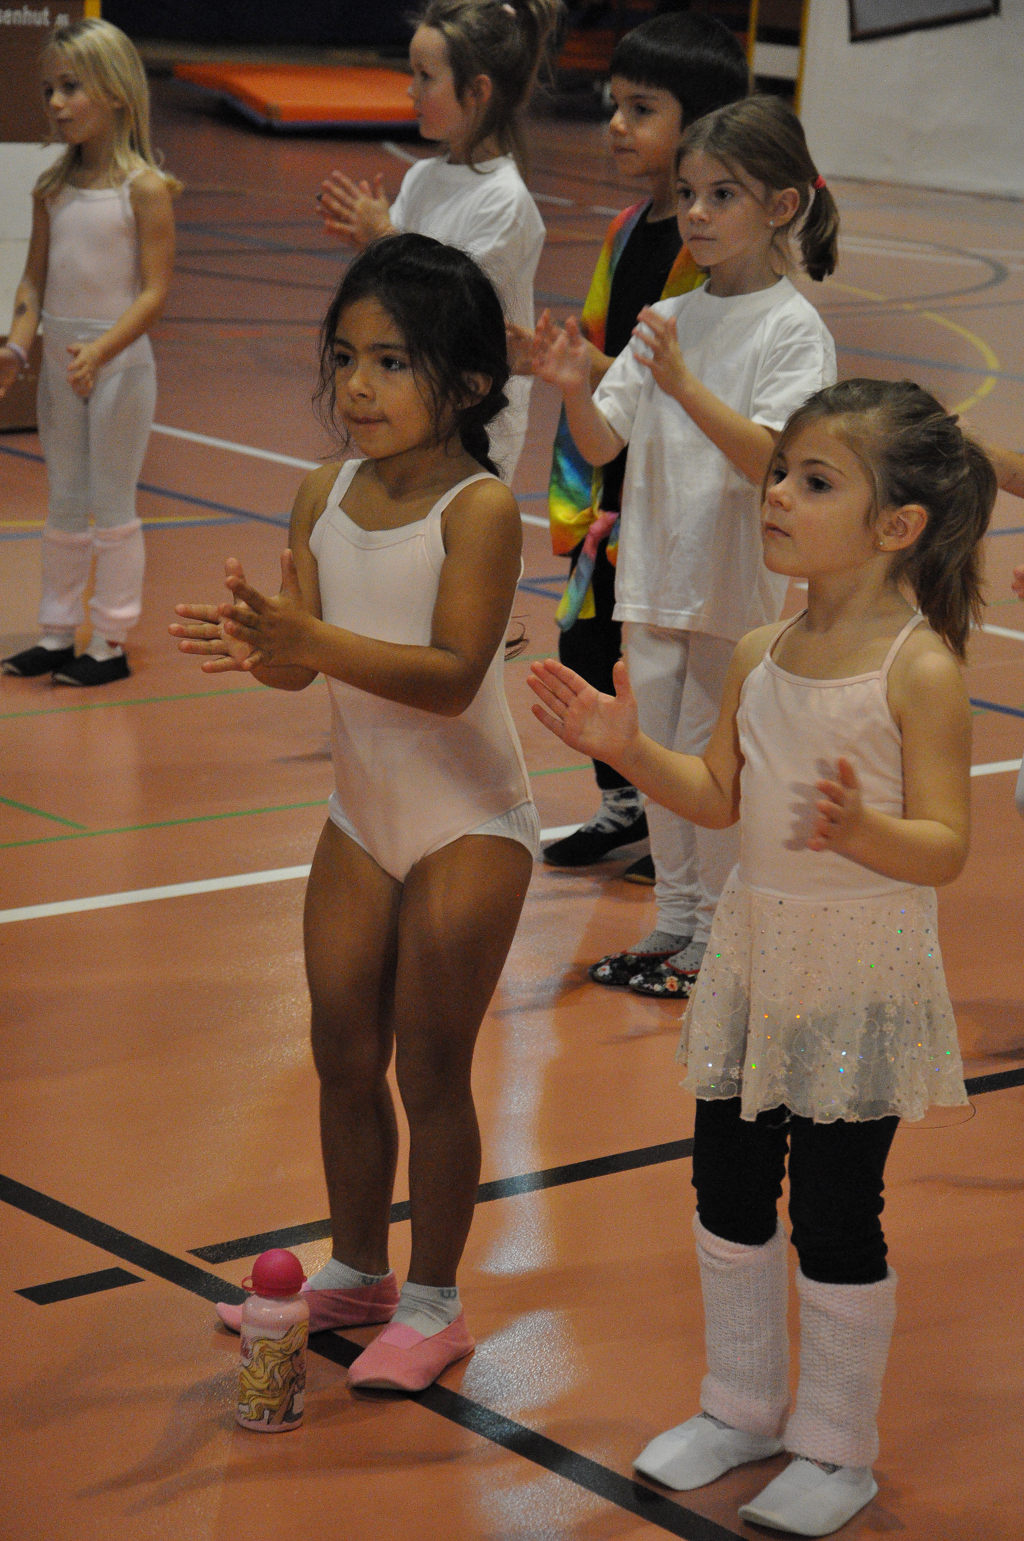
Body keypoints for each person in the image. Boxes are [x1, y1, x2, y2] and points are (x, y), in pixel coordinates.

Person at [528, 377, 996, 1537]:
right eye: (779, 471)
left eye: (813, 480)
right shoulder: (758, 648)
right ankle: (738, 1404)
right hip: (756, 957)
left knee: (836, 1210)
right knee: (726, 1184)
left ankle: (835, 1447)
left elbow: (944, 847)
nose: (777, 493)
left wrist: (867, 832)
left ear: (897, 525)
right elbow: (718, 795)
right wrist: (630, 750)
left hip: (857, 976)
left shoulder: (920, 669)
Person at [170, 233, 538, 1394]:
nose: (358, 387)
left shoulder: (479, 508)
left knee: (430, 1065)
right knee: (340, 1052)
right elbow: (302, 668)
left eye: (392, 361)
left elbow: (451, 675)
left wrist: (311, 638)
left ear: (468, 381)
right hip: (362, 815)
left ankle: (434, 1303)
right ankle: (360, 1269)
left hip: (469, 821)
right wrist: (264, 644)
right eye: (343, 359)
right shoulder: (319, 492)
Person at [533, 95, 837, 997]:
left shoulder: (793, 329)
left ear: (781, 206)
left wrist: (684, 382)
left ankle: (715, 937)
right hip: (652, 580)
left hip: (731, 592)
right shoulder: (670, 316)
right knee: (650, 755)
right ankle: (672, 923)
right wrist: (573, 389)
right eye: (690, 193)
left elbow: (774, 460)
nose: (697, 213)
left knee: (711, 767)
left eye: (722, 195)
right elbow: (603, 444)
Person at [541, 11, 749, 880]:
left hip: (671, 497)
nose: (617, 126)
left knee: (668, 678)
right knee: (586, 647)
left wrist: (589, 367)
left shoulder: (710, 256)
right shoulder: (625, 229)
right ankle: (624, 803)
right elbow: (605, 355)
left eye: (641, 109)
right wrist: (569, 368)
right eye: (614, 105)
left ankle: (681, 831)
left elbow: (661, 374)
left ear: (699, 124)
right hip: (611, 485)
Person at [315, 0, 563, 481]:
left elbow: (456, 314)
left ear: (477, 91)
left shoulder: (504, 201)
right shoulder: (423, 177)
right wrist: (374, 247)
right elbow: (395, 292)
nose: (411, 90)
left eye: (426, 77)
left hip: (470, 423)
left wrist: (383, 236)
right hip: (410, 404)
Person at [0, 17, 178, 686]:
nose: (55, 102)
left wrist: (100, 350)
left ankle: (109, 639)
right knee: (64, 500)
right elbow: (33, 280)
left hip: (118, 367)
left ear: (117, 92)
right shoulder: (52, 187)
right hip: (60, 367)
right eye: (49, 89)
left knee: (114, 502)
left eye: (71, 87)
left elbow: (154, 293)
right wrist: (18, 347)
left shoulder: (144, 189)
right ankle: (55, 629)